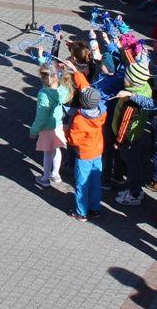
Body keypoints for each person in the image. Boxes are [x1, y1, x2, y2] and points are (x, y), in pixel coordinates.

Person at [67, 85, 106, 220]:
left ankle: (81, 212)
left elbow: (73, 140)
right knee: (96, 182)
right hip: (97, 151)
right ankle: (95, 209)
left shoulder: (80, 119)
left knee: (82, 184)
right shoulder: (102, 112)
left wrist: (66, 130)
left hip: (84, 154)